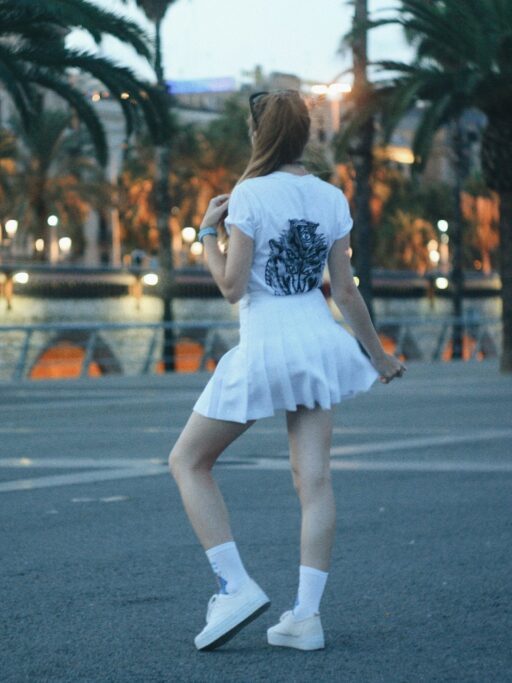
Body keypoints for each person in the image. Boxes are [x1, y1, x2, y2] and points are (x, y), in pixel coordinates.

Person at [168, 90, 406, 652]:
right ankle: (306, 616)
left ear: (260, 134)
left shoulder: (249, 195)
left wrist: (206, 234)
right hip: (318, 343)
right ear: (305, 134)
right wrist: (378, 357)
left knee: (188, 461)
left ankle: (234, 586)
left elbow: (230, 286)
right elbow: (345, 293)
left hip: (267, 344)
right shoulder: (331, 197)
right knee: (314, 480)